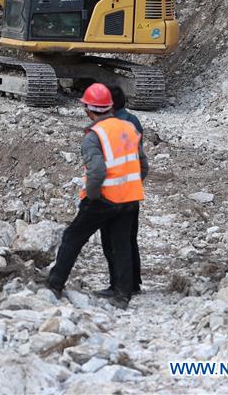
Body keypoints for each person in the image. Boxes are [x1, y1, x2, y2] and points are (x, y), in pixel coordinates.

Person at [46, 83, 149, 309]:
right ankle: (123, 294)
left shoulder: (94, 136)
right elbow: (143, 165)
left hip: (103, 198)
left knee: (72, 238)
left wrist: (92, 197)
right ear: (110, 107)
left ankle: (54, 284)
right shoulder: (129, 128)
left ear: (88, 109)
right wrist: (130, 185)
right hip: (129, 198)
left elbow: (97, 171)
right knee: (121, 244)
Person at [97, 85, 144, 298]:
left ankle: (118, 285)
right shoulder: (133, 122)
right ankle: (133, 282)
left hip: (113, 191)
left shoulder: (108, 127)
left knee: (113, 241)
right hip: (132, 190)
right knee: (129, 238)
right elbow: (141, 160)